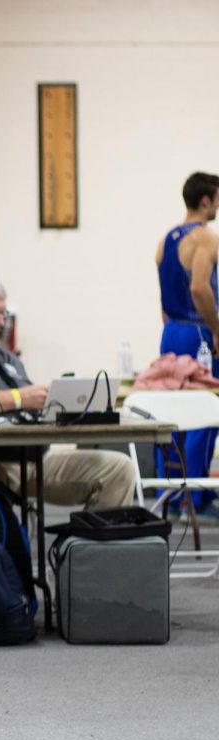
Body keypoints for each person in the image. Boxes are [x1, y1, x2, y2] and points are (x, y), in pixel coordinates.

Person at [0, 271, 135, 509]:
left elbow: (33, 408)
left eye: (3, 313)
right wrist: (20, 398)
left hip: (29, 458)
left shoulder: (5, 357)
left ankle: (86, 546)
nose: (1, 322)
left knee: (118, 469)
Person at [156, 171, 219, 520]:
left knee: (174, 411)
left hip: (172, 332)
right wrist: (217, 329)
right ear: (206, 200)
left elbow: (163, 297)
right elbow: (199, 288)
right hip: (199, 332)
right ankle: (195, 499)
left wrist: (173, 330)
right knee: (205, 411)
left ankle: (172, 491)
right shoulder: (207, 238)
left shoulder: (165, 241)